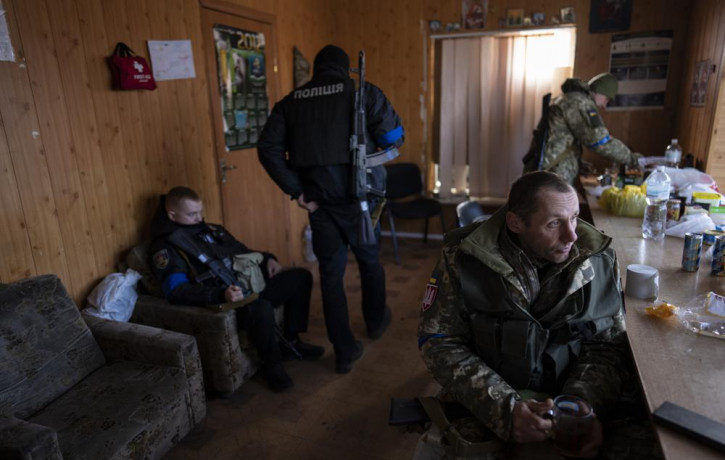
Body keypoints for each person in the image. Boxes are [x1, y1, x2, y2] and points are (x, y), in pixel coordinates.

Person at [416, 172, 660, 459]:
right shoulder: (461, 256)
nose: (572, 235)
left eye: (574, 217)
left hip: (571, 397)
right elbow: (439, 341)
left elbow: (607, 345)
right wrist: (504, 409)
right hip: (493, 391)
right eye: (554, 223)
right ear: (516, 223)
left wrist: (581, 405)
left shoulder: (598, 258)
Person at [257, 44, 404, 374]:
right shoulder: (363, 91)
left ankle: (344, 349)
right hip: (361, 202)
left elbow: (267, 148)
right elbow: (395, 136)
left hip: (319, 203)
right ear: (346, 68)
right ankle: (376, 320)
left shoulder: (291, 102)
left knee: (331, 276)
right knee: (369, 263)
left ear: (317, 69)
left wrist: (297, 190)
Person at [149, 186, 324, 392]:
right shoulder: (167, 248)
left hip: (248, 286)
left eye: (200, 212)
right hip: (226, 302)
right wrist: (219, 294)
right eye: (192, 214)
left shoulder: (212, 230)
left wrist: (267, 259)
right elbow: (176, 291)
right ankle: (273, 367)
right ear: (172, 214)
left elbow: (244, 252)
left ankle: (291, 341)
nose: (199, 218)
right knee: (262, 307)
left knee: (301, 277)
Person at [524, 73, 643, 184]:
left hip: (548, 171)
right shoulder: (580, 103)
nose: (604, 105)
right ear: (599, 91)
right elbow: (600, 142)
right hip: (552, 176)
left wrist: (578, 163)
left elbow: (559, 140)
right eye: (607, 99)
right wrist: (633, 159)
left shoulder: (569, 98)